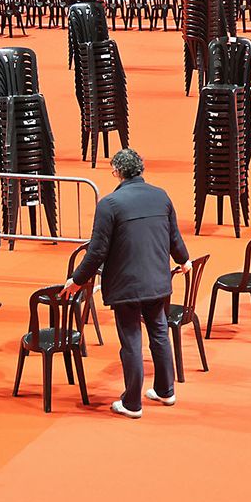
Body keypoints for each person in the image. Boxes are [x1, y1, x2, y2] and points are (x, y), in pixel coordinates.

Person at [62, 148, 190, 419]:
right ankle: (166, 390)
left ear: (117, 173)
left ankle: (133, 403)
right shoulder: (161, 196)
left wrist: (77, 280)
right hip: (158, 280)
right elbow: (174, 238)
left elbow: (96, 252)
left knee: (131, 340)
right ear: (141, 169)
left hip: (127, 285)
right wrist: (184, 260)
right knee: (159, 333)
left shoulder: (109, 205)